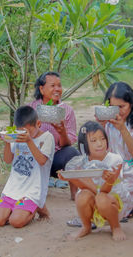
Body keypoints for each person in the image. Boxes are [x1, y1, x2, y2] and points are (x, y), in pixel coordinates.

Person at [58, 121, 133, 241]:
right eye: (93, 141)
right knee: (82, 196)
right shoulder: (82, 162)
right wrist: (71, 178)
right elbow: (86, 188)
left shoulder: (114, 160)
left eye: (102, 139)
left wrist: (109, 180)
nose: (100, 144)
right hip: (96, 199)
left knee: (101, 198)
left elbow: (106, 190)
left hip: (113, 204)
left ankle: (115, 226)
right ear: (84, 145)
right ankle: (86, 227)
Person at [99, 82, 133, 218]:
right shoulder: (107, 124)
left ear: (131, 104)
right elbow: (99, 154)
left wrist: (123, 129)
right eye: (112, 107)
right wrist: (99, 129)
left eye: (121, 107)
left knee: (116, 205)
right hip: (110, 170)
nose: (117, 111)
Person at [0, 106, 53, 228]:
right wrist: (7, 141)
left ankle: (38, 207)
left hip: (32, 190)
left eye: (27, 131)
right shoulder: (17, 135)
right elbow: (8, 160)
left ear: (38, 124)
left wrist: (29, 141)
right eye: (20, 131)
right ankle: (23, 208)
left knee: (16, 222)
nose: (23, 134)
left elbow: (42, 161)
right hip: (13, 188)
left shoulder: (47, 138)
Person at [29, 71, 80, 200]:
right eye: (52, 86)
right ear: (41, 89)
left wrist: (62, 132)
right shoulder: (31, 109)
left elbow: (67, 145)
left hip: (56, 158)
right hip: (35, 156)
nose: (57, 89)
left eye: (59, 85)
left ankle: (75, 194)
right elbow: (22, 133)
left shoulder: (66, 111)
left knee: (72, 153)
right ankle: (26, 189)